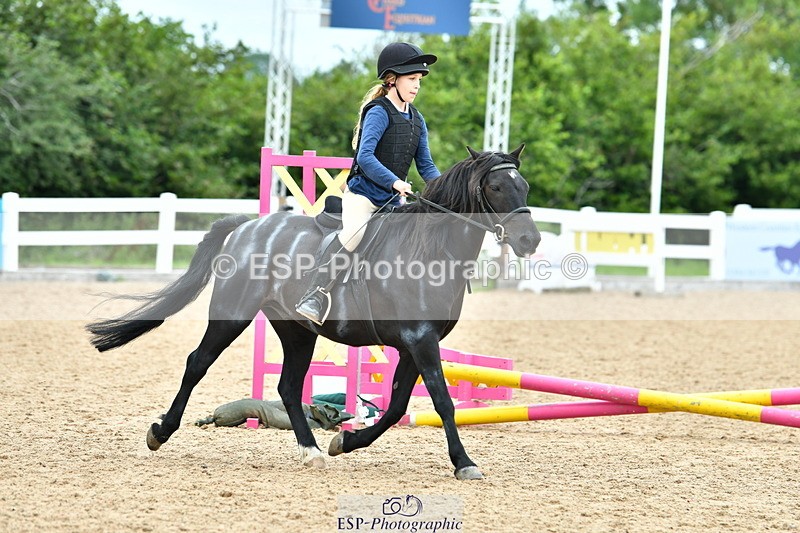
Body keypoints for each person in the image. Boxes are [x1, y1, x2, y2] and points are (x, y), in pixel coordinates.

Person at [296, 42, 441, 325]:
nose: (417, 86)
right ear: (391, 80)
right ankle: (315, 293)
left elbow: (426, 165)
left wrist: (444, 191)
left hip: (392, 202)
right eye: (411, 79)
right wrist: (395, 181)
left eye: (419, 80)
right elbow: (365, 156)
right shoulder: (378, 111)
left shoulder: (417, 119)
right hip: (364, 195)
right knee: (353, 235)